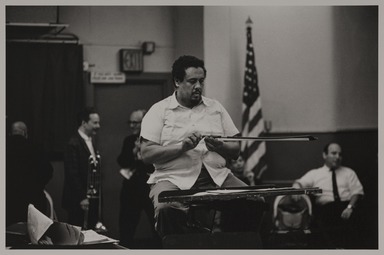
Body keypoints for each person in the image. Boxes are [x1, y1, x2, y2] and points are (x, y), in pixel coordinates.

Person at [140, 55, 264, 239]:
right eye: (192, 81)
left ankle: (232, 247)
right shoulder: (159, 110)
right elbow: (146, 153)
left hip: (217, 177)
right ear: (177, 81)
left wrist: (220, 146)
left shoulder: (216, 108)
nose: (198, 86)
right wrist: (181, 147)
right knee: (166, 208)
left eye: (201, 81)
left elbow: (236, 150)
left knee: (255, 201)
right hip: (174, 178)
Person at [292, 142, 364, 248]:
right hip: (326, 210)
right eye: (334, 153)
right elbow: (299, 182)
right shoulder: (315, 173)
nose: (337, 157)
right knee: (320, 230)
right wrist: (296, 188)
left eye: (340, 154)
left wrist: (350, 207)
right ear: (324, 155)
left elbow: (356, 192)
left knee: (357, 226)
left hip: (347, 208)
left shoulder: (349, 173)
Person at [117, 109, 159, 248]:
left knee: (157, 227)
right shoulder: (129, 140)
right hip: (131, 190)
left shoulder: (155, 140)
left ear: (144, 122)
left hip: (150, 188)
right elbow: (122, 161)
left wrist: (144, 157)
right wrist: (134, 153)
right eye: (130, 122)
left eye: (135, 122)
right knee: (126, 227)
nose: (131, 125)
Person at [6, 121, 53, 226]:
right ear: (25, 133)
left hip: (7, 203)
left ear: (10, 134)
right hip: (33, 203)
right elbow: (48, 172)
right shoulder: (36, 147)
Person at [62, 107, 101, 229]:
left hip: (89, 198)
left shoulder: (90, 140)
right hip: (78, 200)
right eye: (95, 123)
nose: (98, 126)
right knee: (78, 234)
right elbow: (72, 173)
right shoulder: (73, 143)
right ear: (84, 123)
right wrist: (82, 197)